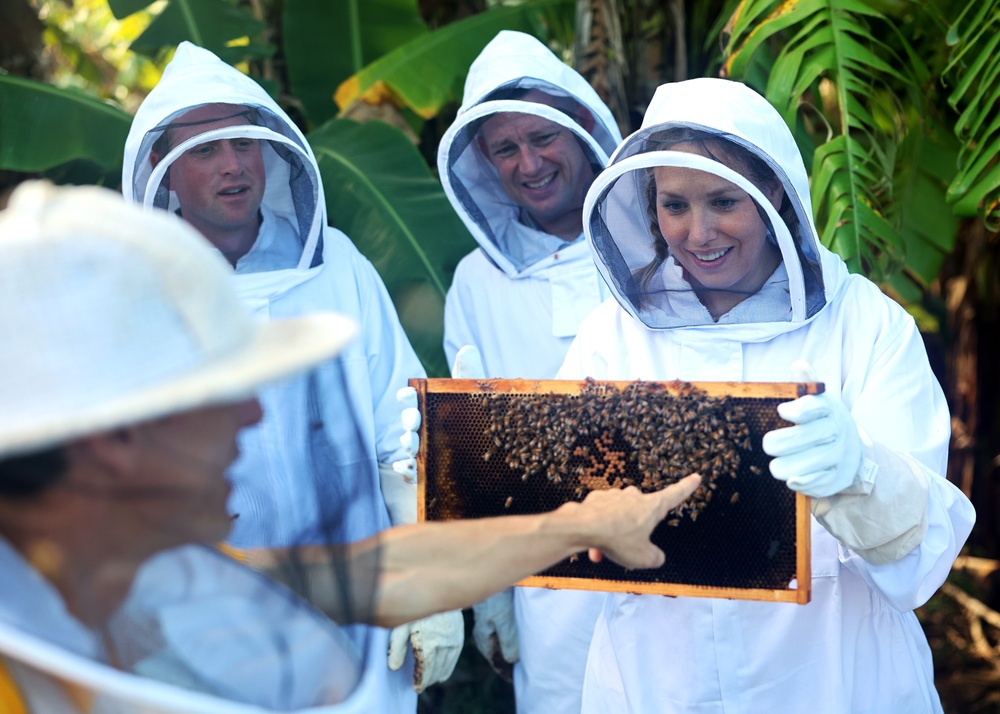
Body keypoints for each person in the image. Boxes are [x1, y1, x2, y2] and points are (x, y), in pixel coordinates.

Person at [0, 181, 703, 713]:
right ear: (115, 440)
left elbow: (371, 573)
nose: (251, 413)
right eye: (217, 394)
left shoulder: (127, 569)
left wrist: (579, 525)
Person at [558, 77, 976, 713]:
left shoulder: (863, 323)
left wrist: (861, 474)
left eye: (724, 201)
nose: (699, 233)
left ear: (773, 189)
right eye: (674, 205)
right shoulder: (612, 335)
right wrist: (451, 453)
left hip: (834, 679)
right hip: (659, 684)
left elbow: (922, 561)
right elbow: (560, 513)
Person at [120, 42, 463, 708]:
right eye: (205, 151)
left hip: (356, 619)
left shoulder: (337, 266)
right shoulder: (137, 295)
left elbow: (406, 430)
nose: (232, 166)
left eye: (243, 144)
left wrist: (431, 586)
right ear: (164, 170)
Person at [432, 30, 620, 712]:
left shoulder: (660, 245)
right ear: (483, 161)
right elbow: (472, 448)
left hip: (674, 553)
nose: (530, 163)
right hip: (546, 579)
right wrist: (493, 596)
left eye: (544, 138)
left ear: (583, 131)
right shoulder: (475, 284)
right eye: (505, 148)